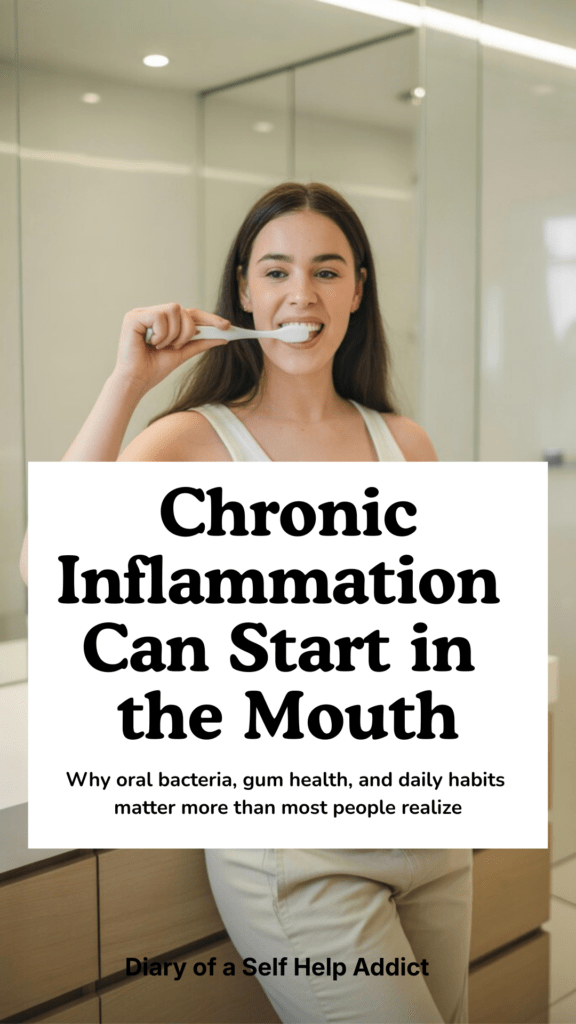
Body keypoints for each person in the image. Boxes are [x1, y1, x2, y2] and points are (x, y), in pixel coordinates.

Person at [21, 182, 472, 1023]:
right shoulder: (193, 442)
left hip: (432, 840)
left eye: (327, 271)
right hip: (298, 857)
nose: (302, 294)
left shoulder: (405, 445)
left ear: (358, 292)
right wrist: (128, 382)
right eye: (277, 271)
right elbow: (47, 569)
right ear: (244, 291)